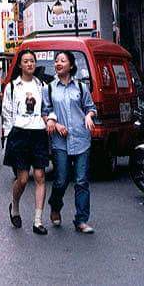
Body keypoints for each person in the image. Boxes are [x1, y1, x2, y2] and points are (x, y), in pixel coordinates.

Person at [42, 50, 97, 233]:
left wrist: (89, 116)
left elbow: (90, 108)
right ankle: (55, 205)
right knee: (61, 179)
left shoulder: (81, 87)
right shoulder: (49, 88)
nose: (58, 63)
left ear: (71, 65)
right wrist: (55, 124)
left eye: (62, 61)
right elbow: (45, 112)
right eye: (56, 61)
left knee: (81, 181)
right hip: (60, 141)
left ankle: (81, 220)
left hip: (81, 138)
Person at [2, 50, 49, 235]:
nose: (29, 64)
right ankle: (15, 206)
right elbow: (7, 112)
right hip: (19, 133)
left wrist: (49, 121)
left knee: (40, 176)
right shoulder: (12, 87)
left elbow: (47, 108)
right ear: (20, 65)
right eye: (26, 61)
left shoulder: (42, 85)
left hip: (38, 133)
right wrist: (9, 135)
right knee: (22, 179)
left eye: (32, 61)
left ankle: (38, 221)